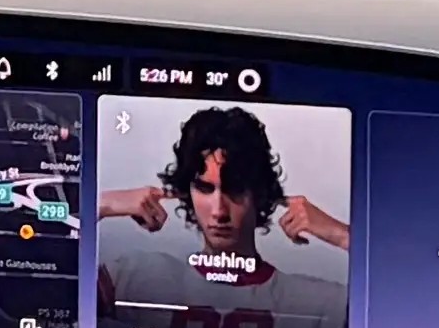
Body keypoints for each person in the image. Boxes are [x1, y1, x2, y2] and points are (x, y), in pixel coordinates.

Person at [103, 105, 347, 288]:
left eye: (235, 190)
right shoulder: (137, 276)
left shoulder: (315, 301)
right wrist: (103, 204)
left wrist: (342, 235)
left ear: (259, 193)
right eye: (205, 188)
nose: (219, 211)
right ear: (186, 191)